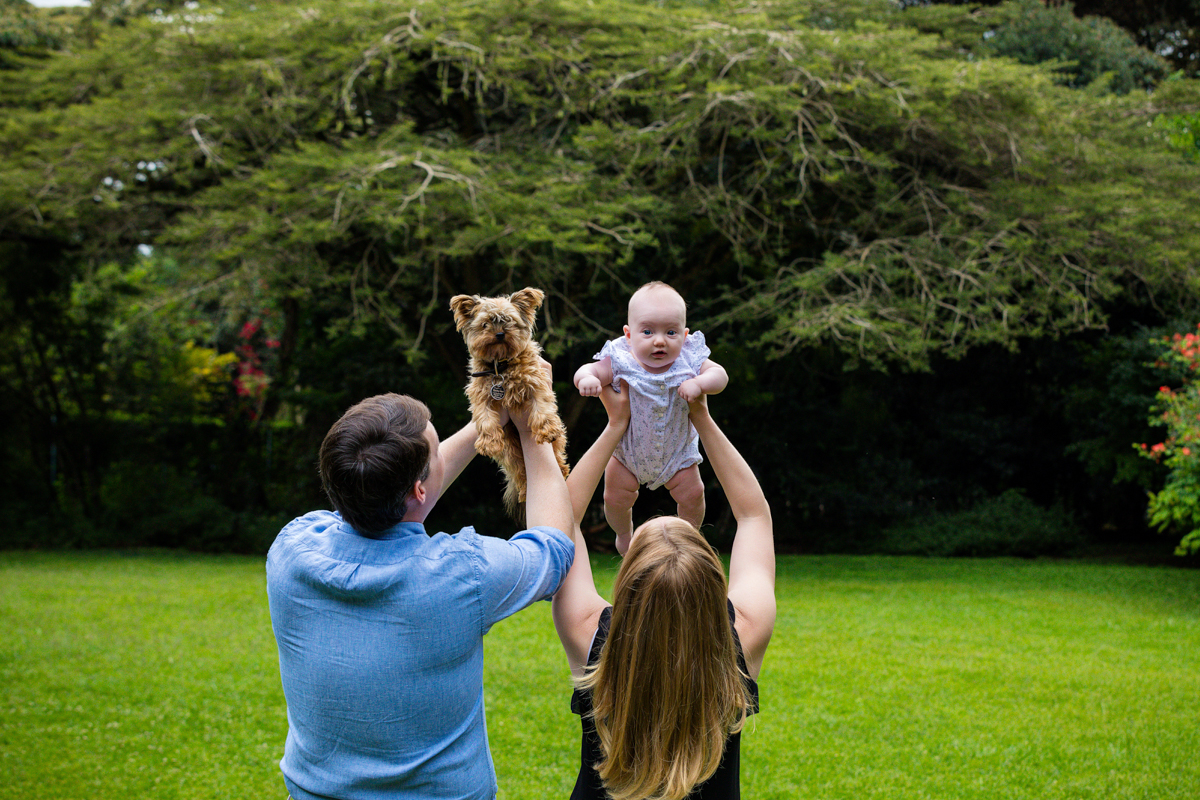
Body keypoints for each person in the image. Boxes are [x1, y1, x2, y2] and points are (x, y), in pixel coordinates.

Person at [266, 392, 574, 800]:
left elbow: (387, 494)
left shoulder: (291, 550)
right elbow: (553, 548)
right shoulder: (463, 575)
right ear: (418, 488)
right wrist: (533, 423)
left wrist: (489, 422)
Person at [553, 383, 775, 800]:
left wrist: (616, 426)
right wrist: (700, 418)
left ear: (627, 583)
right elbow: (754, 515)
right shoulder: (744, 637)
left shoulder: (590, 638)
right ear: (713, 580)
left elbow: (563, 520)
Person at [573, 282, 728, 554]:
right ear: (629, 334)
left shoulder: (690, 358)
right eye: (647, 331)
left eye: (671, 332)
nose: (659, 340)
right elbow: (590, 369)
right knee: (615, 496)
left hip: (677, 454)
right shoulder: (620, 359)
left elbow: (721, 376)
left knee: (693, 495)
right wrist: (586, 378)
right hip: (628, 454)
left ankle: (689, 539)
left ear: (685, 334)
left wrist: (701, 383)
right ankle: (623, 534)